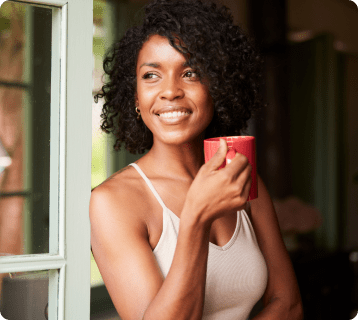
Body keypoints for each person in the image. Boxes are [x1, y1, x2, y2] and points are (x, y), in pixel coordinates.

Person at [90, 0, 303, 319]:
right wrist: (195, 219)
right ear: (135, 96)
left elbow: (288, 304)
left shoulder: (242, 179)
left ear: (217, 88)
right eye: (151, 75)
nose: (170, 91)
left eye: (189, 73)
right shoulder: (112, 203)